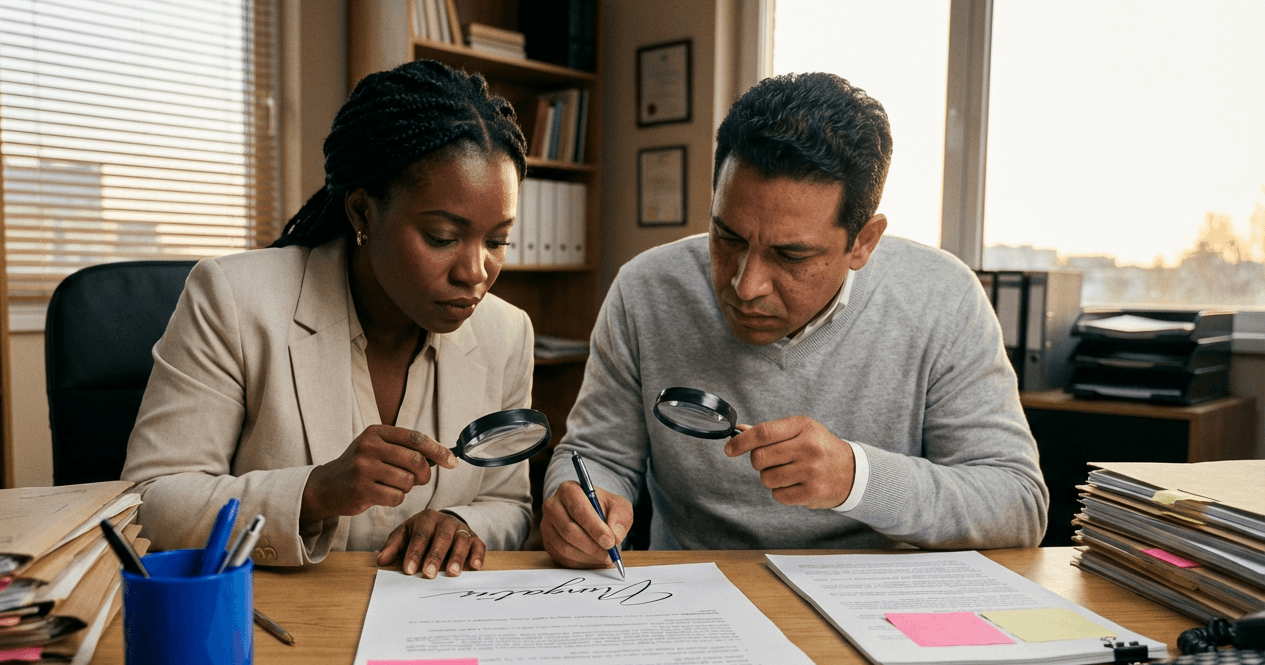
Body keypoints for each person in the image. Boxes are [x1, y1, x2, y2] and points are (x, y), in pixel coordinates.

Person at [541, 72, 1048, 568]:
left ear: (863, 242)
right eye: (728, 238)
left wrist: (856, 479)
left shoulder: (943, 296)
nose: (746, 285)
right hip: (694, 594)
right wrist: (579, 502)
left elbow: (1017, 503)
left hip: (877, 602)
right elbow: (596, 455)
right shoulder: (645, 288)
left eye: (790, 255)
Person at [123, 60, 534, 579]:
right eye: (442, 238)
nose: (476, 272)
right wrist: (313, 492)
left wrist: (460, 522)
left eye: (497, 241)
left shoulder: (506, 333)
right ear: (362, 213)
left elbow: (510, 505)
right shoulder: (234, 299)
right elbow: (149, 505)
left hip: (431, 625)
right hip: (276, 627)